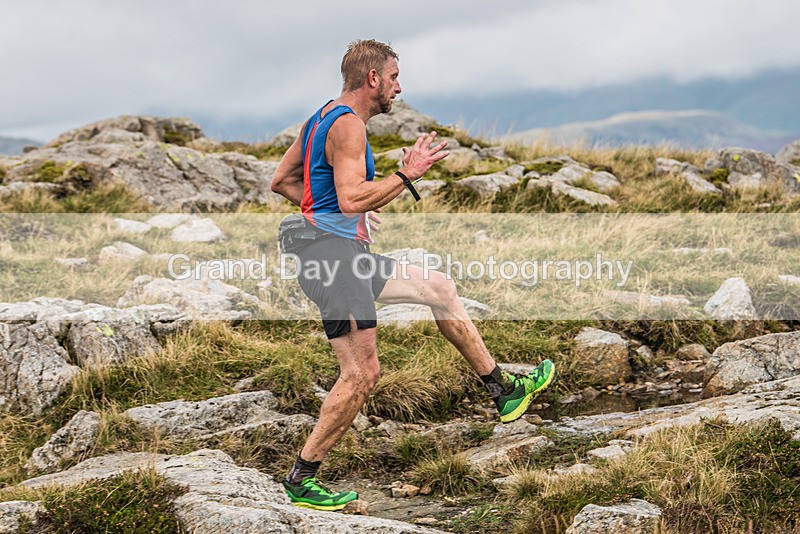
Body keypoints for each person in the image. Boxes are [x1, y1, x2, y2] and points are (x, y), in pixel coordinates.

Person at [271, 39, 555, 511]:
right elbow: (350, 197)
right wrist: (406, 176)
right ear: (373, 79)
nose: (399, 87)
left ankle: (503, 391)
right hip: (334, 262)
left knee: (439, 287)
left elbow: (283, 181)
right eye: (395, 77)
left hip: (342, 250)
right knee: (362, 374)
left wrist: (338, 216)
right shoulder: (347, 127)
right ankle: (302, 477)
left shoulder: (321, 116)